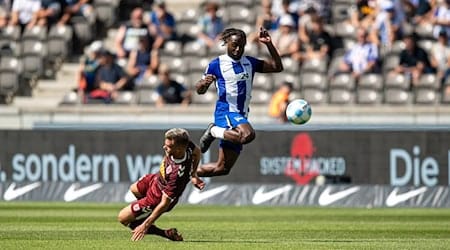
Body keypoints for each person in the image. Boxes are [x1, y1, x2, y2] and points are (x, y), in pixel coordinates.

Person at [195, 27, 283, 177]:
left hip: (241, 116)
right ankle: (214, 131)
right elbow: (199, 90)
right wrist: (203, 84)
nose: (237, 49)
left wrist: (269, 44)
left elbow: (277, 67)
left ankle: (187, 173)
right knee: (248, 135)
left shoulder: (250, 63)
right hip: (226, 112)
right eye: (234, 45)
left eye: (241, 46)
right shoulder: (216, 64)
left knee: (222, 168)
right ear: (226, 44)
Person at [117, 128, 205, 241]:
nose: (164, 147)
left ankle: (163, 232)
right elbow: (197, 151)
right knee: (134, 189)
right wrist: (194, 175)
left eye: (168, 146)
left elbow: (164, 203)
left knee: (123, 218)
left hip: (157, 196)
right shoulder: (186, 145)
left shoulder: (176, 175)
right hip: (155, 179)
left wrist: (145, 225)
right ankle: (147, 215)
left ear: (178, 150)